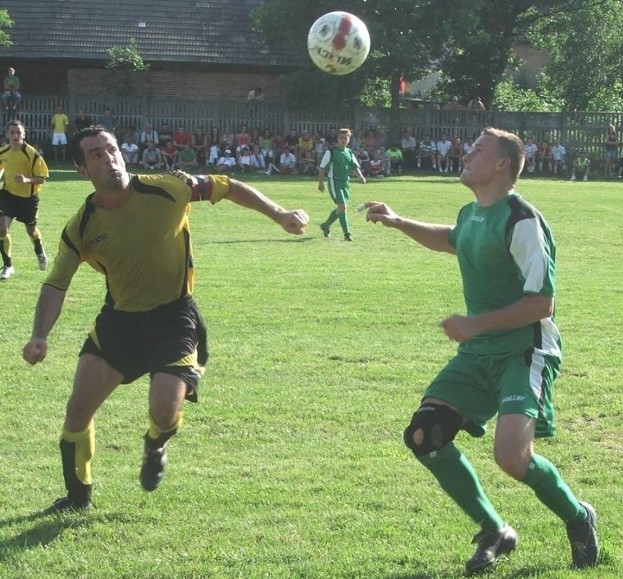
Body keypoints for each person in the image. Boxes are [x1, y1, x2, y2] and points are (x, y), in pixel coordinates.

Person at [21, 126, 309, 513]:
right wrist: (39, 334)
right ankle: (77, 498)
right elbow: (56, 284)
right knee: (77, 412)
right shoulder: (82, 225)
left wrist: (280, 214)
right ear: (82, 171)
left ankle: (156, 443)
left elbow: (226, 185)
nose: (109, 159)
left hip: (174, 318)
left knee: (164, 409)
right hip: (119, 322)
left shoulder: (168, 187)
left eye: (112, 150)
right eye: (96, 155)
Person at [361, 127, 599, 575]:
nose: (465, 154)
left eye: (477, 150)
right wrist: (397, 221)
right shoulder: (472, 213)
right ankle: (495, 530)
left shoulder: (521, 219)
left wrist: (474, 324)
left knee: (511, 458)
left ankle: (578, 517)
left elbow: (541, 303)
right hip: (479, 352)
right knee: (424, 435)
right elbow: (452, 238)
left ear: (501, 165)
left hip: (524, 349)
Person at [0, 120, 49, 280]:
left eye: (18, 132)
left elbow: (42, 178)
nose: (15, 135)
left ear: (24, 134)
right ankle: (8, 266)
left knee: (31, 230)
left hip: (28, 199)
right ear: (7, 134)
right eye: (12, 132)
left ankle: (39, 250)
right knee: (2, 229)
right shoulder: (3, 152)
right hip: (7, 195)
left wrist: (27, 180)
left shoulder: (32, 154)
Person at [318, 128, 366, 242]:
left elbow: (354, 166)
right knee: (342, 207)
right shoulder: (332, 151)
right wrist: (320, 183)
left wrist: (361, 177)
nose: (344, 140)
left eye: (346, 138)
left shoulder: (349, 152)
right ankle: (347, 234)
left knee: (341, 208)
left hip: (345, 182)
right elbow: (321, 168)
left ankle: (326, 225)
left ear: (349, 139)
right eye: (341, 138)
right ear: (337, 139)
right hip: (334, 182)